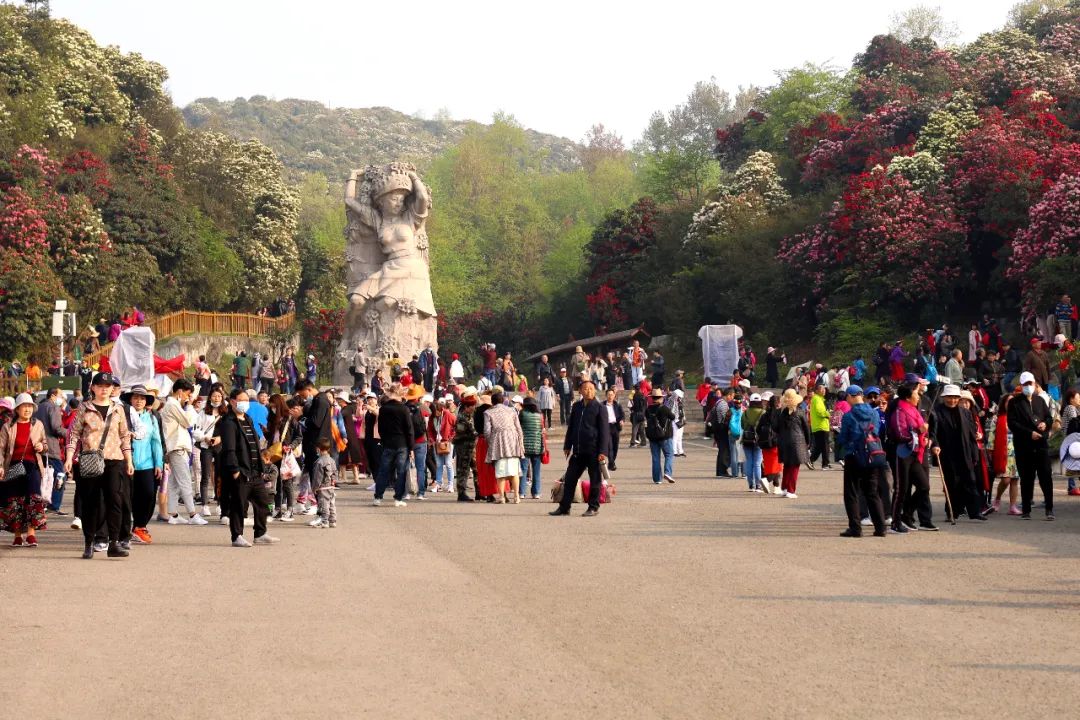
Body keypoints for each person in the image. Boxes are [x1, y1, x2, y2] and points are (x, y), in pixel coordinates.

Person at [66, 373, 134, 559]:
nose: (104, 389)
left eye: (108, 385)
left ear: (112, 388)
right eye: (100, 385)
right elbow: (73, 434)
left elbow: (124, 436)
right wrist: (69, 457)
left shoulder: (118, 409)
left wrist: (129, 460)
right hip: (90, 460)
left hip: (114, 459)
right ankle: (89, 542)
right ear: (93, 388)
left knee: (115, 500)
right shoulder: (84, 409)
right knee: (91, 503)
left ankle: (114, 543)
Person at [218, 389, 279, 546]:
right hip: (240, 471)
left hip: (255, 471)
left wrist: (261, 466)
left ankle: (260, 533)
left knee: (263, 502)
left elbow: (256, 445)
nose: (245, 403)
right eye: (241, 400)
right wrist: (235, 471)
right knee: (238, 505)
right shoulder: (228, 422)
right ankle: (236, 536)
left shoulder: (248, 419)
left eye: (247, 400)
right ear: (232, 401)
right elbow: (229, 449)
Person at [549, 380, 610, 517]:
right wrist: (567, 445)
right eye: (585, 389)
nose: (588, 391)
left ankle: (593, 507)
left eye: (591, 389)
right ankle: (564, 507)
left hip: (593, 451)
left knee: (595, 481)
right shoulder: (576, 407)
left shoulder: (600, 408)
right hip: (578, 451)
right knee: (570, 479)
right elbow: (571, 428)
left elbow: (604, 432)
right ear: (580, 391)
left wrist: (602, 452)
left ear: (594, 391)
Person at [930, 384, 988, 522]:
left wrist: (974, 453)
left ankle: (975, 512)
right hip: (947, 453)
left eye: (955, 398)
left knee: (970, 482)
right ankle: (952, 512)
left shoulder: (965, 412)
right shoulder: (936, 412)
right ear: (944, 398)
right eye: (950, 397)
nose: (953, 400)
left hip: (965, 452)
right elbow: (933, 433)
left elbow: (971, 434)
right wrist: (935, 445)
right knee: (952, 483)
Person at [837, 386, 887, 537]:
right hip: (872, 454)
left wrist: (844, 443)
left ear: (852, 396)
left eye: (847, 396)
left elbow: (843, 438)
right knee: (872, 492)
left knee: (851, 492)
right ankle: (880, 527)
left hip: (854, 455)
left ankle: (855, 528)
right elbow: (877, 432)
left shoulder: (849, 416)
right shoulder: (874, 413)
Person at [0, 393, 48, 548]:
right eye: (24, 406)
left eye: (29, 406)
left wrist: (42, 447)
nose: (27, 409)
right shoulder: (8, 426)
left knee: (33, 499)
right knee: (15, 501)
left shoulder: (38, 425)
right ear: (17, 409)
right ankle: (18, 536)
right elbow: (1, 448)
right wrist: (1, 466)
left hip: (32, 466)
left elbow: (45, 444)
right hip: (13, 467)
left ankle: (31, 534)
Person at [1007, 372, 1055, 520]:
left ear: (1035, 384)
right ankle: (1026, 509)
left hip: (1041, 444)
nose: (1029, 386)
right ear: (1021, 386)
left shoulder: (1040, 400)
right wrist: (1029, 433)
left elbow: (1049, 417)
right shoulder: (1015, 402)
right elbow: (1013, 423)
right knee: (1026, 478)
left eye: (1031, 383)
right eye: (1026, 384)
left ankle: (1049, 508)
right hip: (1024, 446)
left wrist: (1045, 424)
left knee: (1045, 476)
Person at [160, 379, 208, 525]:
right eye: (188, 394)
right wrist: (190, 405)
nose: (188, 397)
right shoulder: (172, 404)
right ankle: (192, 514)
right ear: (180, 391)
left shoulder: (174, 405)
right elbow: (188, 421)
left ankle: (173, 514)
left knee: (174, 482)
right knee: (185, 481)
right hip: (177, 447)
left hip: (177, 446)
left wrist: (188, 405)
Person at [122, 385, 163, 545]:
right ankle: (125, 529)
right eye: (135, 398)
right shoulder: (123, 417)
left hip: (147, 463)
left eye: (142, 398)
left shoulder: (151, 418)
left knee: (147, 495)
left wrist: (159, 463)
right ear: (130, 400)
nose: (139, 401)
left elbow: (156, 442)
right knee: (127, 497)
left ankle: (140, 526)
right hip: (126, 463)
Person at [373, 383, 413, 507]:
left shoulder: (383, 409)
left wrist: (384, 440)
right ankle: (398, 498)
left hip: (388, 443)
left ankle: (378, 497)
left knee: (383, 471)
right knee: (401, 471)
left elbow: (380, 428)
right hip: (402, 444)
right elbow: (409, 429)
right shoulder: (404, 409)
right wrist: (411, 447)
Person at [484, 387, 524, 503]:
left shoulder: (488, 412)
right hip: (512, 440)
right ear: (503, 401)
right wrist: (520, 443)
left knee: (500, 472)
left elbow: (487, 431)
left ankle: (501, 497)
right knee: (514, 471)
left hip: (498, 442)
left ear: (492, 402)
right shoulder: (512, 411)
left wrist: (490, 443)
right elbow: (518, 428)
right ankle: (516, 496)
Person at [34, 387, 67, 515]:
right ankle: (54, 505)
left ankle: (41, 503)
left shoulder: (38, 407)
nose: (62, 399)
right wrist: (70, 433)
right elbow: (56, 428)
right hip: (52, 447)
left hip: (38, 446)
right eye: (60, 396)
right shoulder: (53, 407)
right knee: (59, 476)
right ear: (53, 395)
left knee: (43, 476)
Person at [988, 391, 1021, 515]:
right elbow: (991, 436)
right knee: (1006, 479)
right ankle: (997, 499)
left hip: (1017, 451)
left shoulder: (1019, 417)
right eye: (1008, 401)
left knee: (1015, 480)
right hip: (1003, 452)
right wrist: (990, 451)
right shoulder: (997, 418)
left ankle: (1013, 506)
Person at [777, 389, 810, 499]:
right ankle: (791, 490)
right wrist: (808, 442)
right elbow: (806, 428)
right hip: (797, 441)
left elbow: (777, 428)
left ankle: (785, 488)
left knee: (787, 465)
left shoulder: (782, 413)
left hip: (784, 441)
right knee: (794, 467)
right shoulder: (800, 412)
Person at [644, 387, 677, 485]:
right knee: (669, 454)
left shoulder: (648, 409)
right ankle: (667, 472)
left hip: (653, 436)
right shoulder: (664, 408)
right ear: (660, 398)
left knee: (655, 457)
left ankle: (657, 479)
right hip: (665, 435)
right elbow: (673, 417)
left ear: (652, 398)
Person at [452, 388, 478, 502]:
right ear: (467, 407)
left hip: (471, 448)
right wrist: (477, 433)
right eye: (471, 406)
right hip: (463, 447)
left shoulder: (470, 416)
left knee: (476, 469)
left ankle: (480, 492)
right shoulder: (462, 418)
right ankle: (461, 493)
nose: (473, 408)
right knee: (463, 470)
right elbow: (466, 432)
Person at [308, 437, 338, 528]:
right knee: (331, 504)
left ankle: (325, 521)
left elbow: (318, 477)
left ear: (318, 449)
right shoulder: (332, 460)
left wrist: (314, 488)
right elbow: (335, 472)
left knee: (324, 504)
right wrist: (333, 481)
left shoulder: (319, 462)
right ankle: (332, 520)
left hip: (323, 487)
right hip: (331, 486)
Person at [807, 383, 831, 470]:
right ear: (816, 390)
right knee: (825, 446)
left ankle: (810, 460)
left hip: (819, 426)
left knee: (820, 446)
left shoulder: (819, 399)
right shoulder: (817, 399)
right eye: (821, 389)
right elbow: (820, 412)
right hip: (821, 426)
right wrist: (829, 414)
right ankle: (825, 464)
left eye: (824, 389)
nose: (824, 390)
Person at [602, 388, 624, 471]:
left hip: (615, 427)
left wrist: (622, 420)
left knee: (615, 446)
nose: (610, 396)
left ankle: (611, 462)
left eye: (612, 394)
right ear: (606, 396)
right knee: (609, 446)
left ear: (614, 395)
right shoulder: (602, 405)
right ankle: (611, 463)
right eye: (608, 395)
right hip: (606, 427)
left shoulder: (617, 405)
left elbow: (622, 414)